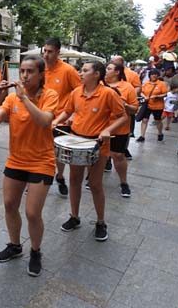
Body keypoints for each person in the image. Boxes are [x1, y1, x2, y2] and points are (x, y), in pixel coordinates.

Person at [0, 56, 58, 276]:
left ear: (41, 75)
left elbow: (45, 121)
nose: (25, 76)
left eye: (30, 71)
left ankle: (35, 251)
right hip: (16, 159)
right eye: (22, 71)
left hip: (41, 161)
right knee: (9, 205)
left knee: (32, 213)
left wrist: (25, 99)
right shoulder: (12, 99)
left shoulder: (50, 95)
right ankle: (15, 245)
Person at [53, 61, 127, 241]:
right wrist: (57, 121)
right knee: (74, 180)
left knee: (95, 184)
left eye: (85, 70)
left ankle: (101, 222)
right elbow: (67, 111)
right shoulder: (76, 92)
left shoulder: (108, 93)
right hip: (76, 140)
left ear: (97, 74)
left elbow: (123, 116)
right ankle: (74, 216)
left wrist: (108, 130)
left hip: (97, 144)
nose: (81, 73)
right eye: (81, 70)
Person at [43, 38, 81, 197]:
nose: (46, 55)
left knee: (57, 152)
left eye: (50, 51)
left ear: (58, 52)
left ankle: (59, 176)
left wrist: (73, 113)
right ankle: (38, 178)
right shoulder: (40, 69)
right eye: (44, 51)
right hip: (41, 117)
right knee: (41, 150)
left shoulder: (68, 70)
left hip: (61, 119)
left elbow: (80, 92)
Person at [105, 62, 138, 197]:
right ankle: (92, 177)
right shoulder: (100, 85)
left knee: (118, 156)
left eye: (108, 69)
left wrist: (123, 104)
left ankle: (123, 182)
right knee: (98, 156)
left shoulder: (127, 87)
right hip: (100, 128)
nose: (106, 71)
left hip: (120, 129)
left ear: (117, 72)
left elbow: (135, 109)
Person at [110, 55, 141, 159]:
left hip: (126, 108)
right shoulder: (104, 80)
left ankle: (123, 149)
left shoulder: (132, 74)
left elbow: (137, 87)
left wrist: (129, 95)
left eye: (114, 61)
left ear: (121, 62)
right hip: (106, 121)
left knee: (127, 131)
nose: (112, 62)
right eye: (111, 61)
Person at [136, 69, 168, 142]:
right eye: (152, 74)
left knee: (157, 120)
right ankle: (142, 136)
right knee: (144, 120)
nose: (153, 75)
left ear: (158, 75)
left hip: (158, 106)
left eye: (155, 74)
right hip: (147, 105)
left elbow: (165, 94)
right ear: (149, 75)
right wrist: (144, 96)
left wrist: (157, 96)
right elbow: (141, 92)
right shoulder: (146, 83)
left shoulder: (161, 84)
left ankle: (160, 133)